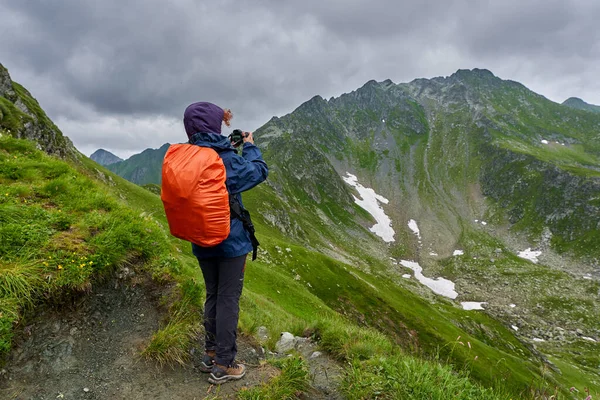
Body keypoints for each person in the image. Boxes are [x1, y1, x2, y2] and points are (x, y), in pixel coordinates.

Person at [183, 102, 268, 384]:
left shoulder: (188, 157)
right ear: (213, 126)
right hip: (230, 241)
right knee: (229, 298)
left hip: (200, 238)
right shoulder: (224, 158)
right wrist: (250, 146)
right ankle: (225, 363)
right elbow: (258, 172)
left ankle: (210, 354)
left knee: (213, 294)